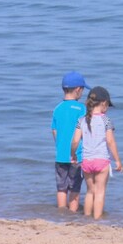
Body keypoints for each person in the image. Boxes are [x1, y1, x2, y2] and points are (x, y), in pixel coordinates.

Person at [71, 86, 123, 219]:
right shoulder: (105, 120)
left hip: (87, 162)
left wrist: (73, 155)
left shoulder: (81, 120)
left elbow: (75, 141)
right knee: (100, 193)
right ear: (104, 104)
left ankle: (87, 216)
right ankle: (97, 219)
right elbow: (111, 141)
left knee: (90, 192)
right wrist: (117, 160)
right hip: (101, 161)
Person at [51, 71, 90, 212]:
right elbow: (84, 133)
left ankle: (61, 210)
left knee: (61, 187)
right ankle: (72, 212)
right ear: (78, 89)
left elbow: (54, 131)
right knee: (75, 187)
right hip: (77, 156)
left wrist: (61, 146)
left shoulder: (57, 108)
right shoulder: (82, 109)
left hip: (60, 155)